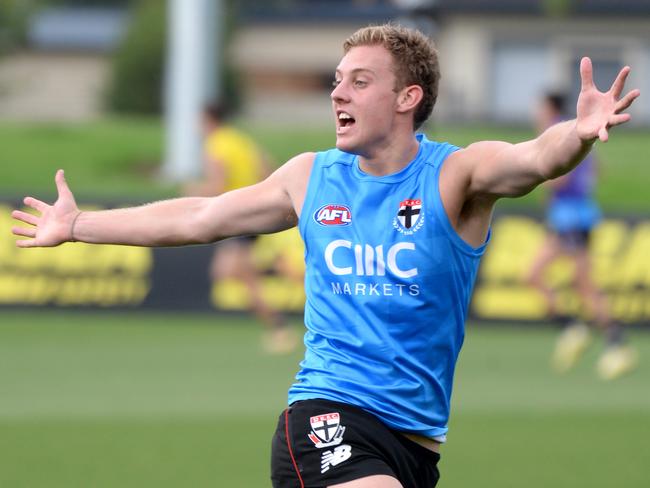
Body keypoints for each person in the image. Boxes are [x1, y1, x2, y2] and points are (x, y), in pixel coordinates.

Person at [11, 24, 639, 488]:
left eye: (359, 82)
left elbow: (533, 158)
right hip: (326, 419)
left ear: (407, 98)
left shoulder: (454, 176)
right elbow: (201, 215)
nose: (338, 94)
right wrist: (79, 224)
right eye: (337, 82)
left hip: (417, 447)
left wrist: (576, 135)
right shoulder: (310, 177)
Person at [527, 92, 637, 380]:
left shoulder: (554, 130)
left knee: (554, 279)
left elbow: (559, 177)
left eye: (538, 106)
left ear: (548, 107)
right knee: (575, 281)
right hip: (576, 216)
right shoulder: (574, 128)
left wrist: (535, 183)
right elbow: (599, 169)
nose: (535, 112)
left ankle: (602, 339)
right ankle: (583, 332)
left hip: (570, 219)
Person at [183, 103, 298, 354]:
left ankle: (279, 324)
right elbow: (267, 168)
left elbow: (217, 185)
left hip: (236, 215)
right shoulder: (240, 140)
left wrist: (193, 192)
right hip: (254, 211)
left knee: (227, 272)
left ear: (207, 119)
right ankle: (277, 322)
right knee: (236, 274)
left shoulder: (215, 145)